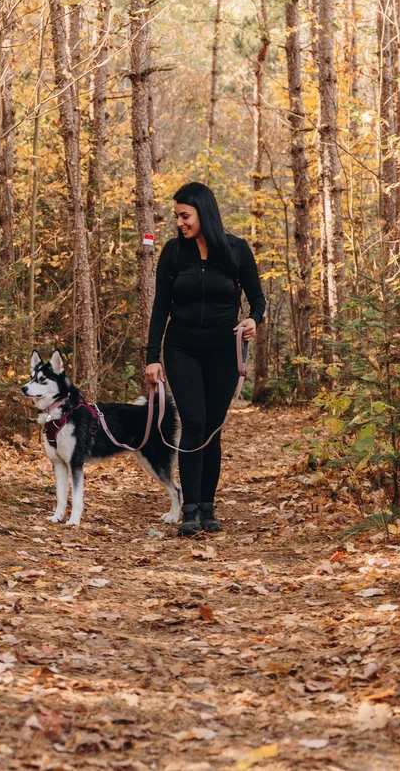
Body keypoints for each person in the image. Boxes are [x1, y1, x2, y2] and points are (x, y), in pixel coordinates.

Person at [144, 181, 265, 536]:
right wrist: (153, 357)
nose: (179, 222)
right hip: (182, 348)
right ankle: (190, 510)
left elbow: (258, 299)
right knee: (194, 423)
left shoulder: (236, 250)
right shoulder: (172, 253)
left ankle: (209, 507)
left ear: (203, 212)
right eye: (177, 216)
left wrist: (252, 321)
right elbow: (160, 306)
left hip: (224, 350)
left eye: (185, 215)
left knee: (211, 428)